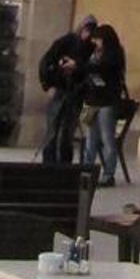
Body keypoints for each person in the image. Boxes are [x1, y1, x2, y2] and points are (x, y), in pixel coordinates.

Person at [37, 14, 94, 165]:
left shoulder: (90, 48)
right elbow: (46, 62)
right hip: (60, 90)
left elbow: (90, 71)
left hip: (76, 94)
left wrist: (77, 67)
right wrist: (47, 84)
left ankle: (65, 164)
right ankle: (49, 163)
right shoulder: (66, 42)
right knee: (52, 129)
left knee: (67, 132)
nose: (87, 35)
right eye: (86, 30)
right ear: (81, 28)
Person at [78, 20, 129, 178]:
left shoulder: (114, 55)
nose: (95, 43)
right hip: (91, 100)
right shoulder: (93, 54)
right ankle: (86, 169)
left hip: (107, 101)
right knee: (90, 137)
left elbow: (103, 69)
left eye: (98, 39)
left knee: (107, 138)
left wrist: (82, 66)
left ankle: (108, 174)